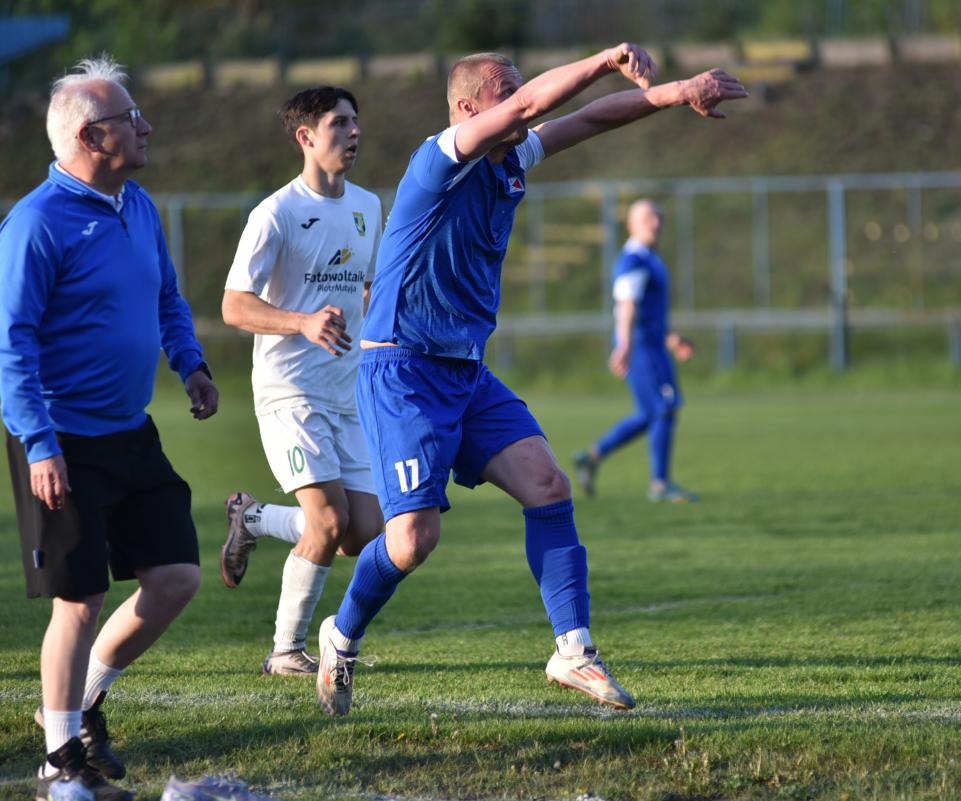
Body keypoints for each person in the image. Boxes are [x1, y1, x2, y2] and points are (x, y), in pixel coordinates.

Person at [312, 43, 747, 717]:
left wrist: (675, 91)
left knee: (548, 484)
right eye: (506, 90)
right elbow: (531, 106)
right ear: (467, 109)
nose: (521, 100)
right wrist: (605, 59)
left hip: (465, 369)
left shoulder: (510, 159)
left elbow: (591, 120)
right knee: (411, 542)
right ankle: (340, 636)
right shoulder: (440, 159)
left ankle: (572, 651)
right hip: (403, 370)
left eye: (519, 86)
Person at [0, 55, 219, 801]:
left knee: (177, 576)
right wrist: (39, 444)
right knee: (80, 600)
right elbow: (11, 344)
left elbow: (167, 297)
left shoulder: (138, 205)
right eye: (132, 118)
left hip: (131, 430)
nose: (147, 126)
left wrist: (190, 362)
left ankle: (79, 704)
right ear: (92, 137)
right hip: (60, 440)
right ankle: (59, 765)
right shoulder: (35, 223)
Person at [220, 86, 384, 676]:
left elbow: (366, 287)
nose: (353, 132)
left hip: (347, 390)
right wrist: (302, 322)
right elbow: (234, 305)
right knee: (329, 520)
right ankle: (286, 650)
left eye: (355, 121)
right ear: (305, 137)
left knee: (363, 533)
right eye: (339, 123)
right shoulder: (276, 213)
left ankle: (254, 518)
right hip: (289, 389)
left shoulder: (368, 206)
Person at [573, 199, 697, 502]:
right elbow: (626, 306)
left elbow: (650, 313)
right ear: (631, 225)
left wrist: (671, 338)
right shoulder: (633, 260)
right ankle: (660, 485)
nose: (655, 223)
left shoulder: (651, 259)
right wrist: (625, 345)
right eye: (647, 218)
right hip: (641, 348)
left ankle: (592, 457)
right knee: (664, 407)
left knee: (652, 412)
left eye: (658, 217)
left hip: (654, 345)